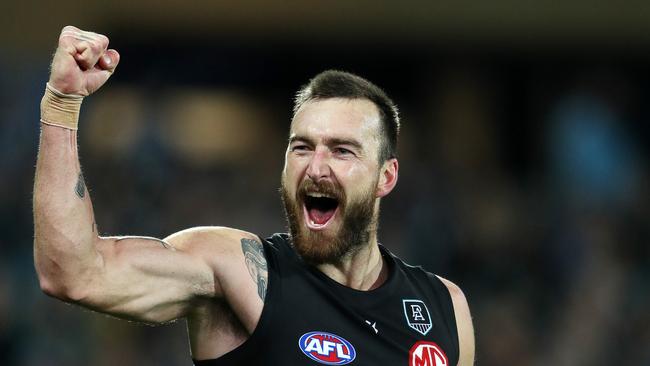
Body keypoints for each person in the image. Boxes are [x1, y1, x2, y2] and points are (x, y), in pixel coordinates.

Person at [33, 26, 475, 365]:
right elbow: (72, 273)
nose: (315, 167)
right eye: (301, 147)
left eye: (341, 151)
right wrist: (61, 104)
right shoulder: (239, 273)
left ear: (386, 177)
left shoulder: (445, 309)